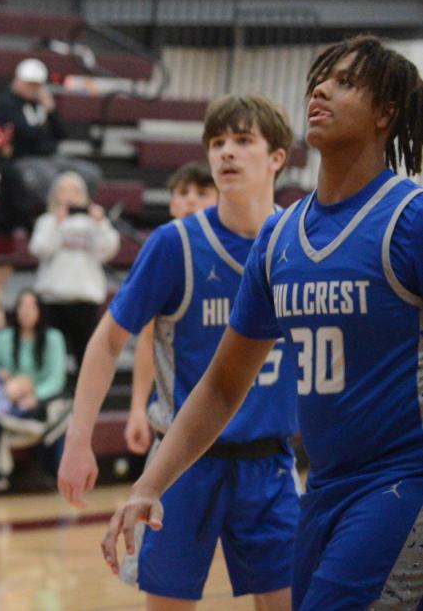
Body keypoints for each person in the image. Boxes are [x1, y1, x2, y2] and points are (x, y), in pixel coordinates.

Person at [105, 37, 423, 610]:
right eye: (321, 80)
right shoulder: (279, 240)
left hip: (402, 481)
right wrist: (150, 483)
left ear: (386, 113)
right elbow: (225, 384)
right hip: (323, 489)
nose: (321, 89)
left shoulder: (411, 220)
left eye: (346, 83)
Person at [62, 96, 297, 610]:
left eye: (242, 140)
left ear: (277, 157)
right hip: (183, 466)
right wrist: (78, 439)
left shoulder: (300, 241)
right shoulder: (176, 245)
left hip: (271, 464)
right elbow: (107, 341)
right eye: (217, 143)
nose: (226, 154)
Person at [123, 160, 224, 461]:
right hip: (178, 427)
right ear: (171, 205)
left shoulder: (243, 249)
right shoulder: (164, 251)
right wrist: (138, 408)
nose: (191, 199)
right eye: (182, 192)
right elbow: (147, 339)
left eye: (203, 192)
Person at [28, 169, 120, 364]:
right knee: (51, 357)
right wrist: (56, 223)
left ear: (84, 195)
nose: (69, 195)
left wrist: (101, 224)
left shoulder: (94, 222)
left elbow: (107, 252)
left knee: (86, 357)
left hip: (84, 300)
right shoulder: (47, 221)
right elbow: (39, 249)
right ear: (54, 194)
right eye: (63, 190)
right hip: (52, 299)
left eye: (74, 190)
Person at [3, 58, 68, 161]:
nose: (33, 89)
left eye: (36, 85)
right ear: (18, 81)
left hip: (50, 156)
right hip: (24, 158)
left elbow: (61, 134)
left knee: (89, 172)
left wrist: (51, 112)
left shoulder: (41, 104)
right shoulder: (7, 103)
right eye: (29, 84)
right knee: (49, 175)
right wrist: (43, 119)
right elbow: (27, 136)